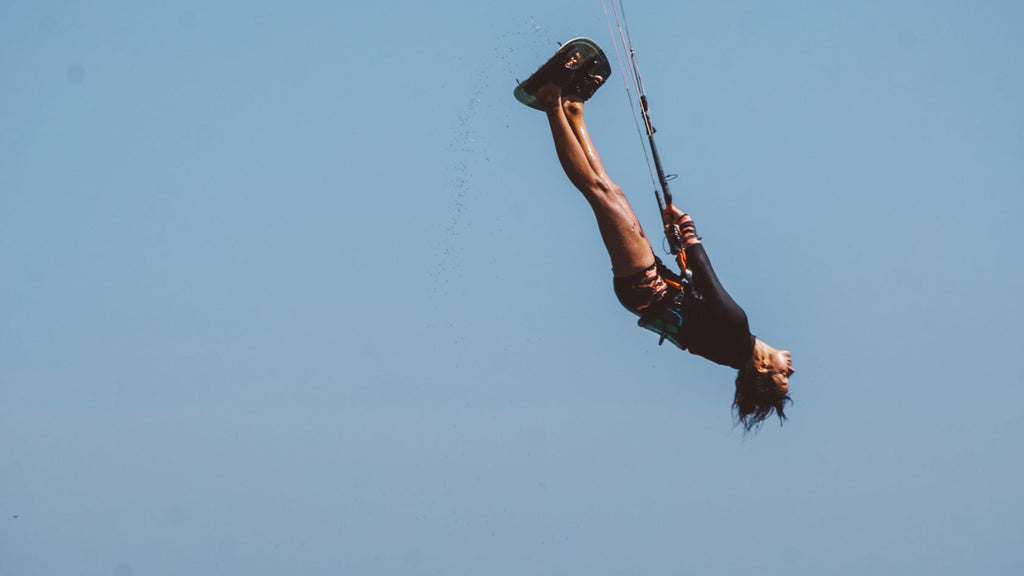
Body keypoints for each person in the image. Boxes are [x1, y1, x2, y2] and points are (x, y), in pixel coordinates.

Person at [516, 41, 794, 430]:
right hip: (650, 286)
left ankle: (550, 103)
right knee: (612, 192)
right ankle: (574, 109)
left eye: (784, 376)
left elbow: (707, 278)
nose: (791, 368)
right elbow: (696, 294)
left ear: (764, 369)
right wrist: (679, 245)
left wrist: (690, 234)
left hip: (645, 286)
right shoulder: (731, 349)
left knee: (600, 193)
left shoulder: (737, 333)